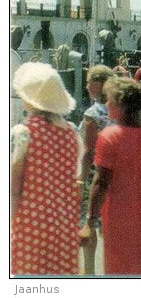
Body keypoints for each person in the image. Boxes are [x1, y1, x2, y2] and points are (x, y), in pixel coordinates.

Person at [80, 77, 141, 275]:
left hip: (117, 217)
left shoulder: (109, 136)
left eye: (109, 99)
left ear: (120, 104)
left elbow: (101, 183)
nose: (106, 103)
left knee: (117, 273)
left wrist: (89, 222)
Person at [10, 62, 81, 275]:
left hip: (32, 220)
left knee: (28, 278)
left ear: (31, 102)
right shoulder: (71, 134)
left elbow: (15, 179)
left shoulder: (25, 132)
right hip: (65, 224)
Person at [78, 64, 116, 275]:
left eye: (89, 81)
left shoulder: (92, 113)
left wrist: (81, 179)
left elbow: (88, 152)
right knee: (110, 227)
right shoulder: (121, 110)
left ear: (100, 84)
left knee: (89, 223)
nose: (86, 86)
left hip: (95, 176)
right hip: (117, 177)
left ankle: (90, 271)